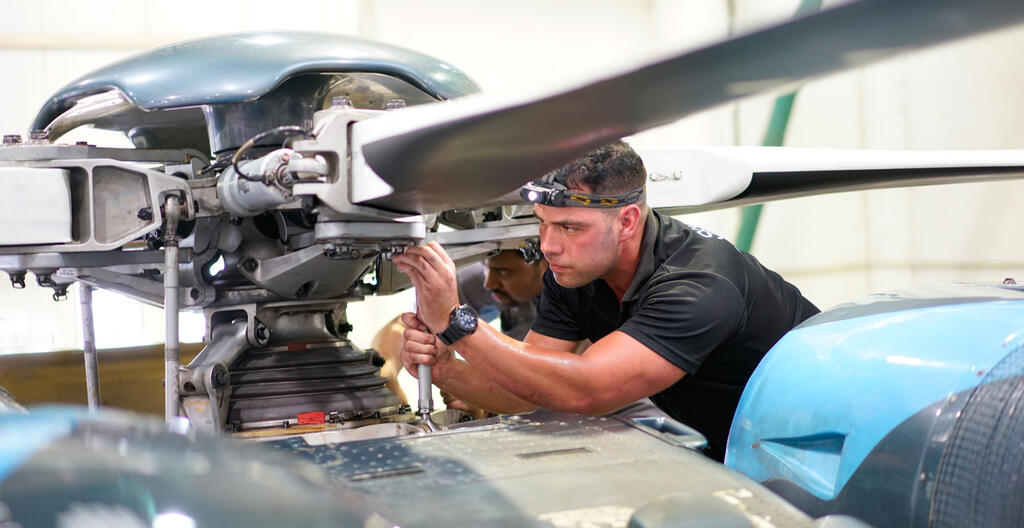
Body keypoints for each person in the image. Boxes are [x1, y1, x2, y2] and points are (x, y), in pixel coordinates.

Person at [393, 140, 819, 460]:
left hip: (818, 442)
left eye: (570, 228)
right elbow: (533, 389)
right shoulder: (574, 273)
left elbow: (588, 390)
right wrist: (447, 370)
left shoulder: (697, 284)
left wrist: (457, 321)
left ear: (628, 220)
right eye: (542, 225)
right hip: (737, 441)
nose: (549, 246)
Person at [371, 247, 547, 411]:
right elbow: (409, 325)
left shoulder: (570, 298)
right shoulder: (494, 268)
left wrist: (474, 389)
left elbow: (540, 387)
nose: (489, 282)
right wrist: (385, 375)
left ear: (545, 264)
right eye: (487, 267)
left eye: (504, 272)